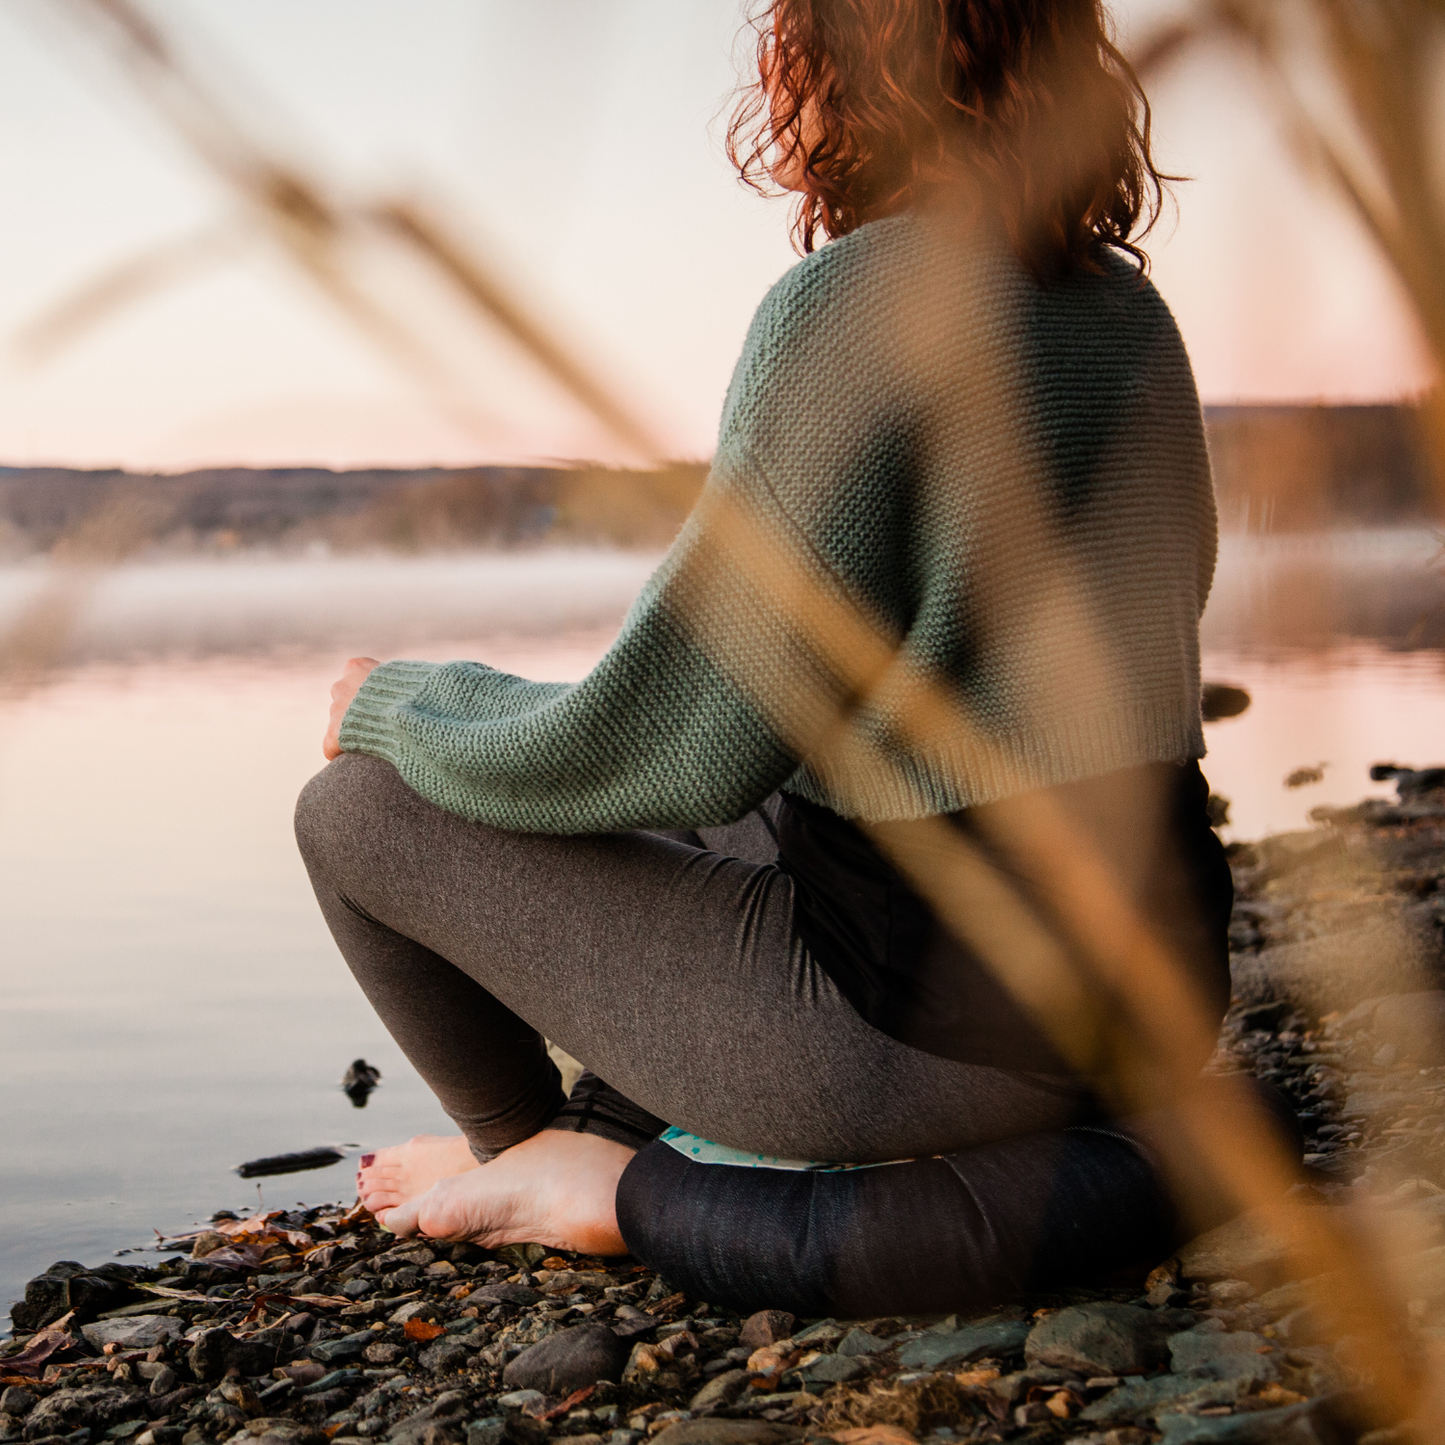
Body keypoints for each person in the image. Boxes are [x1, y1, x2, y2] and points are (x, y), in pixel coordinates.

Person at [295, 0, 1299, 1314]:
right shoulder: (1129, 314)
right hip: (1154, 991)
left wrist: (405, 699)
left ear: (847, 62)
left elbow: (664, 739)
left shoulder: (848, 310)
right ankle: (618, 1128)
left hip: (929, 1040)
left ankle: (534, 1156)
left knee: (357, 811)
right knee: (785, 777)